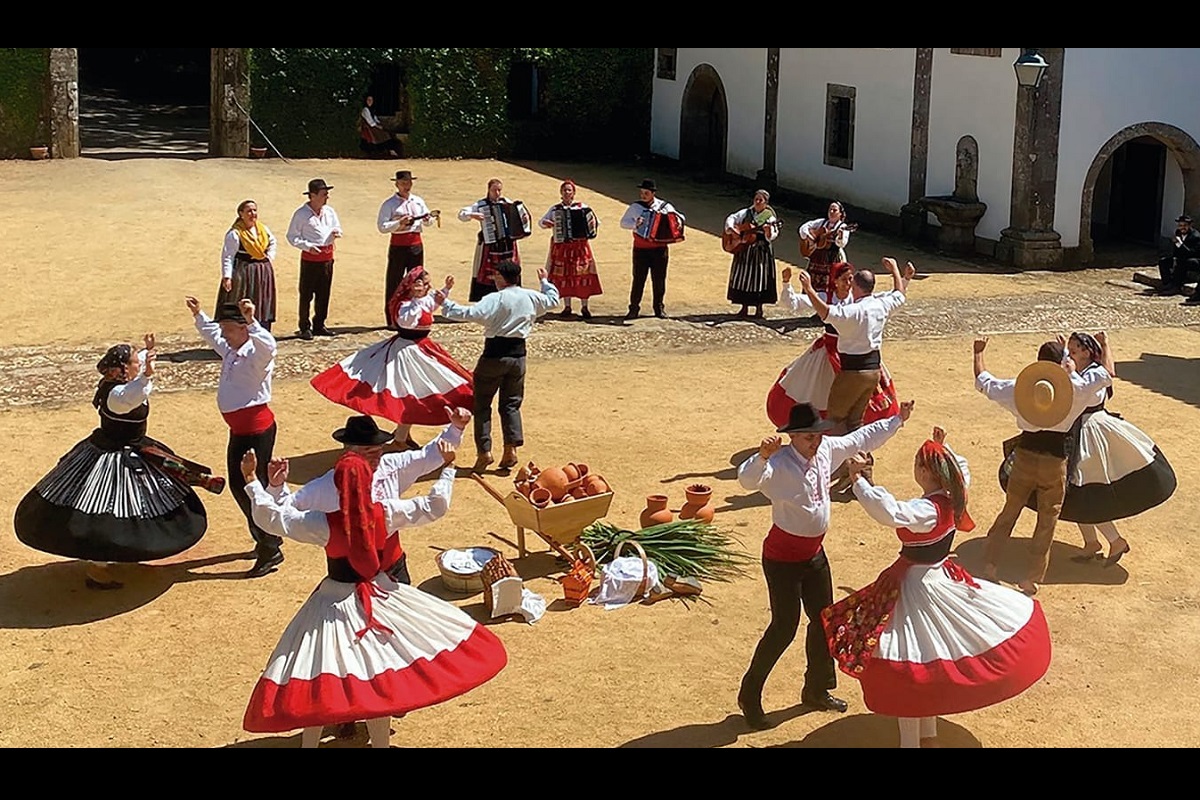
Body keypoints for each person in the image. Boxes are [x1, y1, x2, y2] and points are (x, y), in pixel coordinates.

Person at [238, 447, 507, 748]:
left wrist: (254, 481)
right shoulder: (386, 512)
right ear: (369, 483)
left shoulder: (323, 523)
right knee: (377, 675)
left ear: (337, 485)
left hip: (333, 604)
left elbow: (274, 518)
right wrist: (447, 468)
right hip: (381, 599)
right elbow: (435, 505)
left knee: (317, 670)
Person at [822, 427, 1052, 748]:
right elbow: (962, 470)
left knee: (909, 665)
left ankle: (912, 744)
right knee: (928, 655)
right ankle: (927, 737)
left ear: (926, 472)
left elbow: (891, 512)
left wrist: (859, 481)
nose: (915, 468)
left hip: (916, 587)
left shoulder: (927, 510)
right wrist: (943, 449)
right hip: (940, 577)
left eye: (920, 464)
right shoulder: (954, 496)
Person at [735, 398, 914, 730]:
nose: (814, 442)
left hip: (814, 555)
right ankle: (750, 692)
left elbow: (861, 439)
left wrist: (896, 420)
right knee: (783, 627)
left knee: (824, 621)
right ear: (792, 437)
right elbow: (747, 480)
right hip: (782, 560)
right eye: (807, 437)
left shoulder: (827, 449)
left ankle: (816, 689)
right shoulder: (778, 465)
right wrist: (761, 455)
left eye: (816, 435)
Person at [14, 335, 220, 590]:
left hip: (123, 447)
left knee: (125, 504)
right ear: (122, 369)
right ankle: (99, 569)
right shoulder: (121, 395)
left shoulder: (118, 382)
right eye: (134, 362)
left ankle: (114, 555)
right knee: (108, 506)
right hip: (116, 454)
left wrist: (148, 351)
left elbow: (138, 366)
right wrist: (148, 373)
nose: (138, 363)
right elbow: (139, 389)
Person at [1002, 331, 1176, 568]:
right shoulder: (1085, 372)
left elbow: (1098, 376)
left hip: (1090, 434)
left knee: (1082, 492)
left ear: (1086, 352)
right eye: (1070, 349)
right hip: (1084, 431)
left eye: (1075, 349)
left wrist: (1101, 345)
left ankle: (1115, 541)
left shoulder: (1089, 375)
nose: (1071, 352)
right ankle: (1092, 543)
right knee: (1078, 494)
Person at [973, 336, 1113, 595]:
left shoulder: (1020, 389)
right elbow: (1106, 373)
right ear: (1062, 362)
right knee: (1047, 521)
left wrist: (978, 353)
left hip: (1024, 458)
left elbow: (984, 382)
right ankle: (1032, 578)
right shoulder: (1077, 389)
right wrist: (1103, 345)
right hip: (1055, 462)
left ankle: (991, 562)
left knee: (1010, 510)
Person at [265, 409, 468, 587]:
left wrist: (456, 428)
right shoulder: (326, 485)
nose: (376, 456)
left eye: (379, 450)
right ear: (350, 451)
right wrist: (276, 487)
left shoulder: (390, 465)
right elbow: (287, 509)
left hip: (392, 566)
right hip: (351, 577)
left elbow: (428, 455)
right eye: (369, 451)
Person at [311, 267, 473, 450]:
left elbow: (432, 303)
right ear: (411, 286)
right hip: (406, 352)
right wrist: (417, 300)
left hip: (421, 348)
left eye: (427, 283)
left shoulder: (419, 301)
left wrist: (446, 289)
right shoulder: (405, 305)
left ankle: (402, 434)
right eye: (423, 283)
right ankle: (401, 438)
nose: (427, 287)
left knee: (417, 392)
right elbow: (407, 321)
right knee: (410, 395)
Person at [188, 295, 283, 578]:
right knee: (242, 486)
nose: (225, 335)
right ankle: (267, 537)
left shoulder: (257, 353)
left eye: (230, 329)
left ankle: (269, 545)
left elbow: (270, 344)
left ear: (244, 329)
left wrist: (253, 320)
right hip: (241, 431)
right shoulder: (231, 349)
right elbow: (212, 335)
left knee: (252, 488)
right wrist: (199, 315)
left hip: (255, 432)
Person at [439, 260, 560, 473]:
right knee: (511, 404)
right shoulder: (530, 296)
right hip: (518, 356)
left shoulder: (496, 298)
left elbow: (469, 314)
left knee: (482, 405)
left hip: (494, 355)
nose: (494, 279)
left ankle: (484, 452)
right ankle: (510, 448)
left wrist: (445, 303)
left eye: (496, 276)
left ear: (503, 278)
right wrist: (544, 282)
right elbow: (552, 300)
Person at [767, 262, 901, 431]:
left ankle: (852, 437)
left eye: (851, 279)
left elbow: (893, 297)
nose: (848, 284)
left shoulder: (858, 300)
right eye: (844, 279)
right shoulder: (825, 297)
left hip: (853, 356)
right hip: (828, 353)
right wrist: (786, 283)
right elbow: (792, 304)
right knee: (818, 391)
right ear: (835, 281)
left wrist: (905, 279)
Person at [377, 169, 437, 328]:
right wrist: (399, 223)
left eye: (409, 183)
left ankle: (417, 314)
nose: (406, 186)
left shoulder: (418, 201)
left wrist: (429, 219)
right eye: (403, 183)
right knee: (394, 281)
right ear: (396, 184)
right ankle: (392, 318)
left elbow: (427, 222)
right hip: (398, 246)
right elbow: (382, 227)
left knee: (418, 281)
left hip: (416, 245)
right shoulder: (389, 204)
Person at [619, 178, 685, 320]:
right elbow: (623, 223)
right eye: (642, 193)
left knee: (659, 279)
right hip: (641, 249)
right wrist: (635, 224)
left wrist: (677, 224)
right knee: (638, 279)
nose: (643, 196)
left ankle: (659, 308)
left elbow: (680, 217)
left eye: (646, 193)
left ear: (653, 193)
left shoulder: (665, 207)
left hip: (659, 250)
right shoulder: (636, 207)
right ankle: (634, 308)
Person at [286, 178, 343, 340]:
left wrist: (336, 232)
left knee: (324, 293)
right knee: (306, 294)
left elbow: (337, 226)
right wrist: (307, 246)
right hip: (310, 260)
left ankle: (319, 324)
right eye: (324, 194)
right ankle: (304, 326)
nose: (327, 197)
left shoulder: (330, 212)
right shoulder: (301, 214)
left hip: (327, 258)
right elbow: (292, 236)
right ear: (313, 196)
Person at [538, 178, 602, 319]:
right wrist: (548, 223)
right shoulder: (555, 209)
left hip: (580, 247)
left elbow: (596, 222)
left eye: (569, 190)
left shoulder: (582, 207)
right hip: (562, 247)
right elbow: (541, 222)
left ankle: (585, 307)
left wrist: (589, 228)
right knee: (565, 275)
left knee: (582, 275)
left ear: (573, 193)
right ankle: (567, 307)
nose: (567, 193)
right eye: (564, 190)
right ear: (561, 192)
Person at [459, 178, 529, 302]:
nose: (497, 193)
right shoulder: (481, 204)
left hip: (508, 245)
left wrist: (523, 220)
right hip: (490, 245)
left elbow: (519, 216)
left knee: (509, 271)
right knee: (488, 273)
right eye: (494, 190)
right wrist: (472, 215)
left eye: (499, 190)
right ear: (488, 190)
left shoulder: (507, 202)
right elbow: (461, 214)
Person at [218, 199, 278, 332]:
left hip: (262, 272)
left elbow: (272, 242)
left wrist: (268, 257)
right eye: (249, 211)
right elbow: (228, 255)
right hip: (243, 272)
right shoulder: (235, 233)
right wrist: (227, 277)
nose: (253, 213)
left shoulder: (262, 229)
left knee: (263, 301)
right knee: (242, 301)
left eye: (255, 210)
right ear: (241, 214)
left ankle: (262, 333)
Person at [724, 189, 780, 318]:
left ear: (766, 203)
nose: (758, 202)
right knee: (743, 277)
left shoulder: (769, 217)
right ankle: (744, 307)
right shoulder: (746, 212)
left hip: (760, 251)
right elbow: (731, 218)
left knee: (759, 278)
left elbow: (773, 235)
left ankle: (758, 309)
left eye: (761, 200)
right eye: (756, 199)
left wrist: (767, 232)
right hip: (744, 249)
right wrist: (732, 230)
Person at [798, 201, 854, 295]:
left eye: (835, 210)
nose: (831, 212)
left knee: (831, 282)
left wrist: (839, 236)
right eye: (830, 209)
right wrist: (810, 237)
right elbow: (803, 228)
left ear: (840, 214)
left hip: (832, 258)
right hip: (817, 257)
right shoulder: (822, 222)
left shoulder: (842, 227)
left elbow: (842, 244)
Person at [1157, 214, 1200, 300]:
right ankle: (1168, 283)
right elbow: (1176, 250)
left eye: (1185, 226)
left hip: (1195, 260)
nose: (1182, 228)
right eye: (1180, 226)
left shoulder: (1196, 236)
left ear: (1189, 226)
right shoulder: (1178, 233)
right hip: (1182, 257)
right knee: (1164, 261)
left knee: (1184, 262)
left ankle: (1176, 286)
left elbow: (1191, 253)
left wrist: (1180, 244)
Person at [358, 94, 402, 158]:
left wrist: (380, 124)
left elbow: (375, 119)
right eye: (368, 100)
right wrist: (377, 126)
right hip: (369, 128)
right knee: (384, 135)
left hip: (373, 126)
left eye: (371, 100)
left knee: (386, 133)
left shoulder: (372, 109)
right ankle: (389, 150)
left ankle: (390, 150)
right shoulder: (365, 110)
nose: (370, 101)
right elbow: (370, 122)